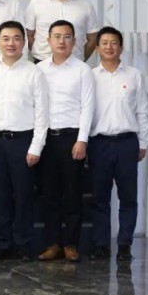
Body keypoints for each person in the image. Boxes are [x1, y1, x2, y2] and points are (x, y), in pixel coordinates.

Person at [0, 21, 48, 261]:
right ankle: (3, 243)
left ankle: (23, 244)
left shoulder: (34, 72)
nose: (11, 43)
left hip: (23, 141)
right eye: (6, 38)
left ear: (24, 42)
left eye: (17, 38)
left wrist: (36, 146)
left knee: (24, 195)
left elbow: (42, 113)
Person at [88, 26, 148, 262]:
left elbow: (142, 110)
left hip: (127, 143)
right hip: (98, 143)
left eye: (114, 42)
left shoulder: (134, 75)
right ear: (97, 48)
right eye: (104, 43)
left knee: (128, 197)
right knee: (100, 197)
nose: (109, 47)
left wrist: (143, 142)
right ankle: (101, 245)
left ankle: (125, 245)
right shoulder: (90, 76)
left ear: (121, 47)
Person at [36, 20, 95, 262]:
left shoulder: (82, 70)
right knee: (49, 194)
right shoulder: (39, 69)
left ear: (75, 41)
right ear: (48, 40)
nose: (62, 41)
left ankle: (71, 244)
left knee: (72, 193)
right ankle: (53, 243)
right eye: (57, 36)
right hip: (46, 138)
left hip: (72, 138)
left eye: (67, 36)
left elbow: (88, 106)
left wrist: (82, 140)